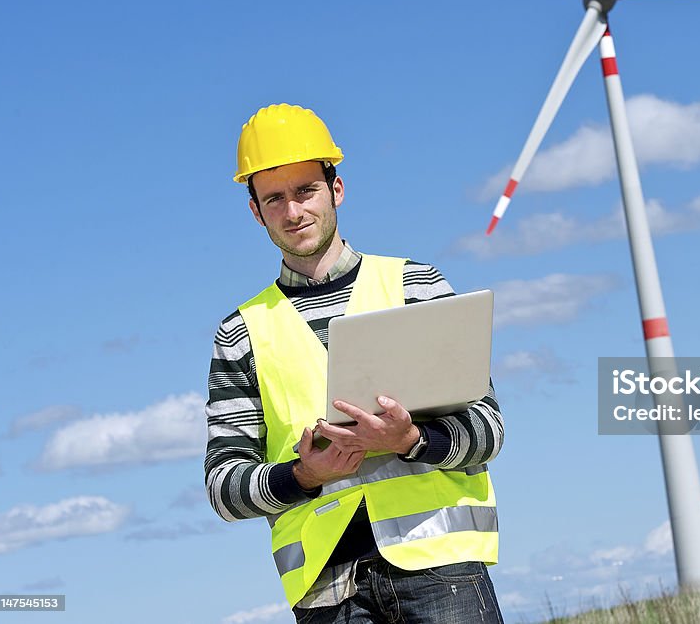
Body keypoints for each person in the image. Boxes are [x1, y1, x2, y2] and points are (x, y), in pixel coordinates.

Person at [205, 103, 505, 623]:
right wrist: (302, 474)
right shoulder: (240, 334)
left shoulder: (415, 285)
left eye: (306, 191)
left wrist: (411, 441)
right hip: (328, 592)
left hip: (441, 567)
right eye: (274, 199)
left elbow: (489, 428)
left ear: (336, 190)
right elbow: (224, 487)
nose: (293, 211)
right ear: (255, 211)